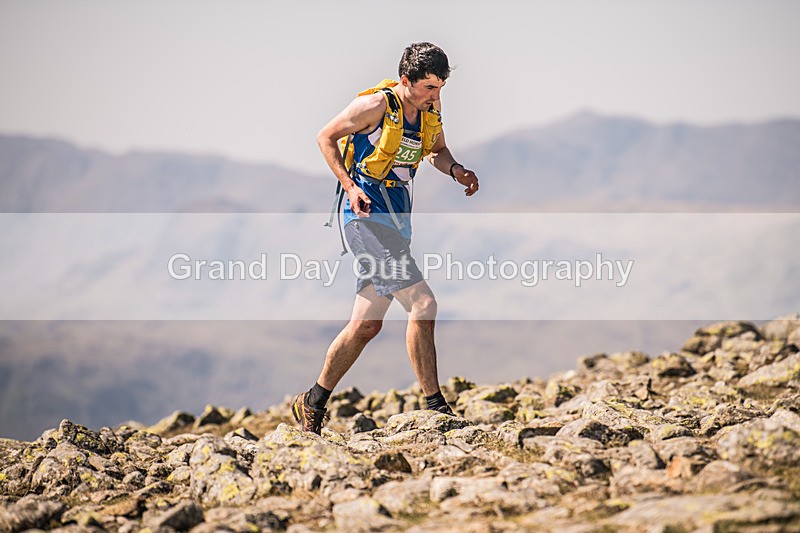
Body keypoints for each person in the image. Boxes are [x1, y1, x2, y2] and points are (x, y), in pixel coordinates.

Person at [291, 42, 479, 435]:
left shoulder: (429, 111)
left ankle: (312, 402)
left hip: (395, 224)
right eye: (429, 87)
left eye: (441, 87)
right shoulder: (375, 106)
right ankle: (435, 408)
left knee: (365, 325)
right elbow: (325, 137)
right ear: (406, 80)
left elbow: (438, 151)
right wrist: (349, 185)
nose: (436, 96)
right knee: (423, 303)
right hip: (364, 220)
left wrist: (456, 169)